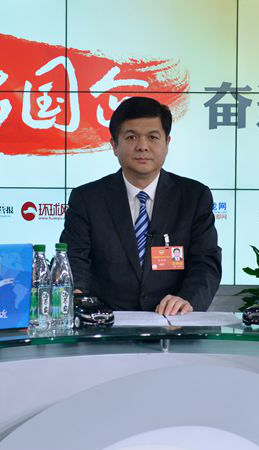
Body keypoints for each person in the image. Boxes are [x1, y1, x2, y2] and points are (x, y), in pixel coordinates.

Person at [60, 96, 222, 316]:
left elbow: (205, 262)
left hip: (173, 323)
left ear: (167, 144)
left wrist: (187, 299)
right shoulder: (87, 199)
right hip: (104, 323)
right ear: (114, 145)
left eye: (153, 137)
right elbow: (74, 259)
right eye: (131, 137)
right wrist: (77, 295)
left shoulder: (194, 197)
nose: (142, 147)